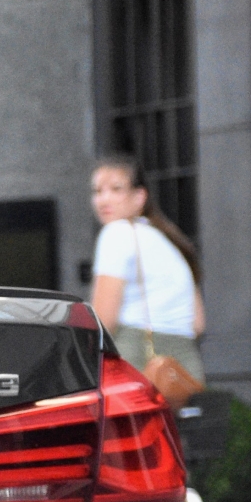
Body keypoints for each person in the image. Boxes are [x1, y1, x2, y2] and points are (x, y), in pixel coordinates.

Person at [89, 154, 204, 387]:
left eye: (115, 189)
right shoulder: (170, 241)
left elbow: (104, 319)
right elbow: (198, 323)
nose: (103, 200)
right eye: (97, 191)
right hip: (185, 369)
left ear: (139, 197)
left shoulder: (116, 234)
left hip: (136, 363)